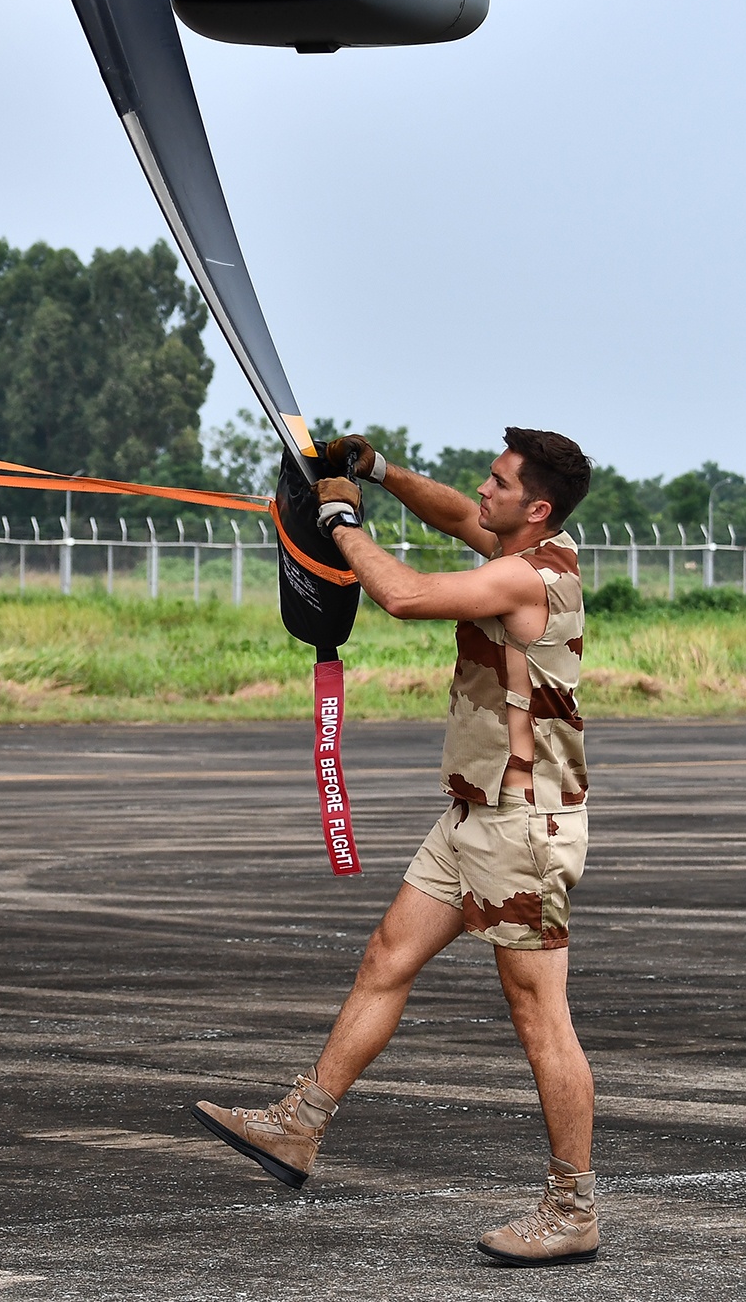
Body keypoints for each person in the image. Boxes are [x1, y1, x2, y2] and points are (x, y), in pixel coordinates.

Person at [193, 427, 599, 1267]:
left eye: (498, 482)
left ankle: (572, 1206)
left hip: (524, 826)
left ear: (538, 508)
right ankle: (299, 1125)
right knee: (387, 956)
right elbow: (456, 514)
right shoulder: (517, 539)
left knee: (540, 1019)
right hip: (472, 815)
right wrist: (378, 472)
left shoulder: (530, 575)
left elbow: (407, 595)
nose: (482, 491)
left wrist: (342, 522)